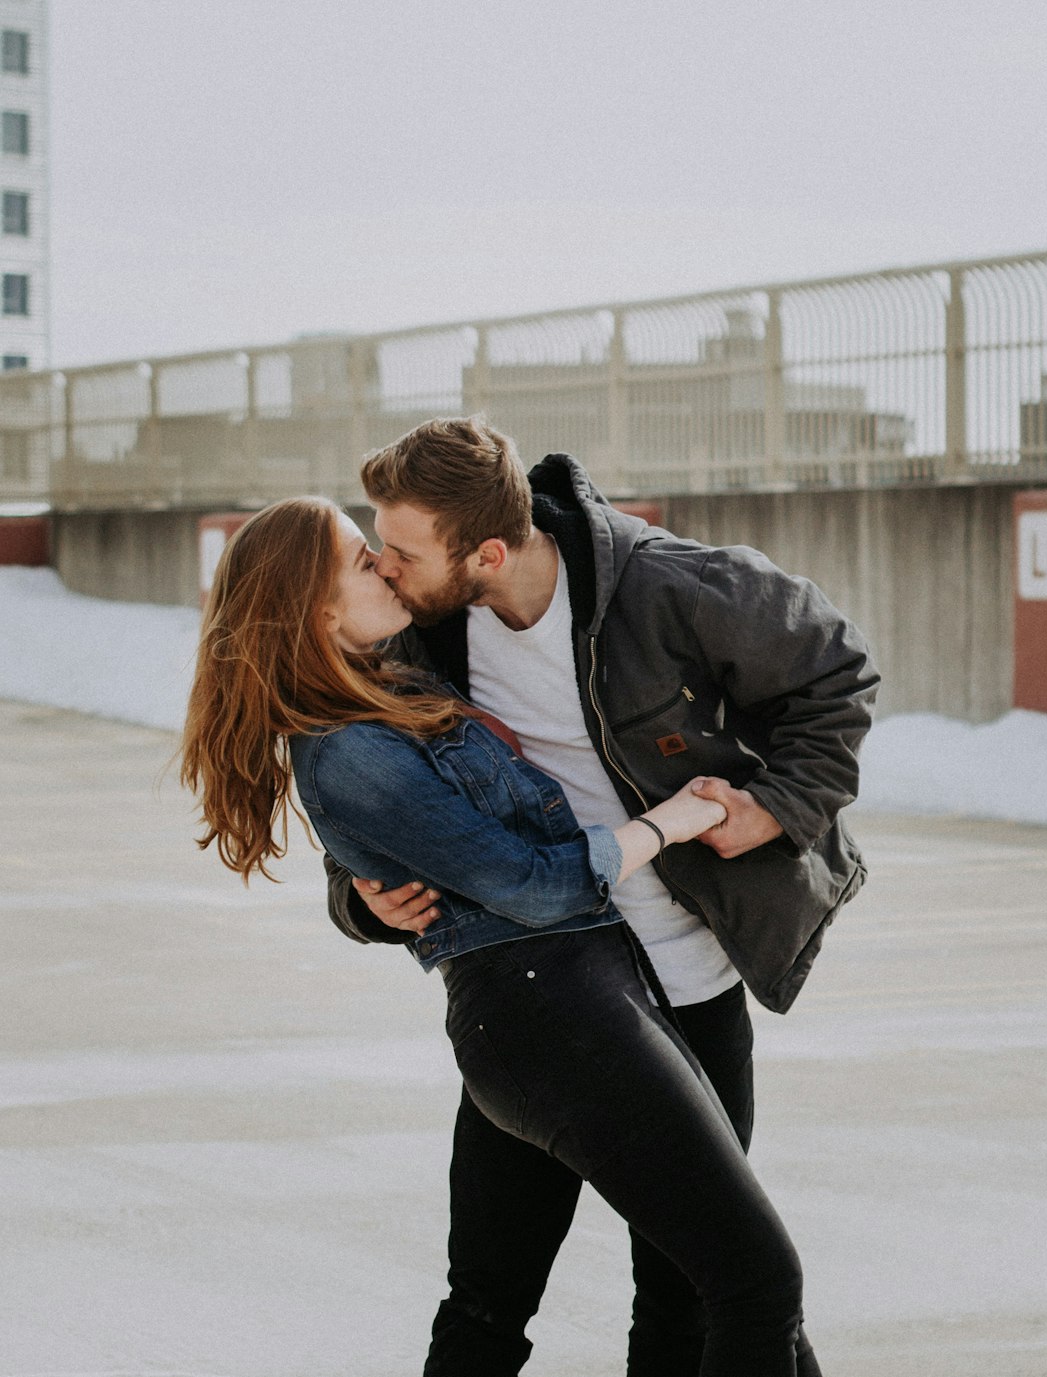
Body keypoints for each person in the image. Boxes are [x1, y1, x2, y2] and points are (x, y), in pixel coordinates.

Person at [180, 494, 822, 1377]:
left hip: (578, 1000)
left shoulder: (395, 676)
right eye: (365, 560)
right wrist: (670, 822)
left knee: (531, 1303)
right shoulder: (350, 745)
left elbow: (428, 842)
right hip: (551, 1012)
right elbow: (529, 881)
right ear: (316, 610)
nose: (388, 565)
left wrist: (368, 899)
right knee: (753, 1284)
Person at [326, 416, 879, 1376]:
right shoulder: (422, 634)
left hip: (690, 988)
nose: (384, 565)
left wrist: (776, 807)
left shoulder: (663, 586)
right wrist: (360, 901)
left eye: (403, 550)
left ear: (486, 552)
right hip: (545, 994)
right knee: (488, 1294)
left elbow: (836, 672)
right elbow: (376, 795)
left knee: (687, 1296)